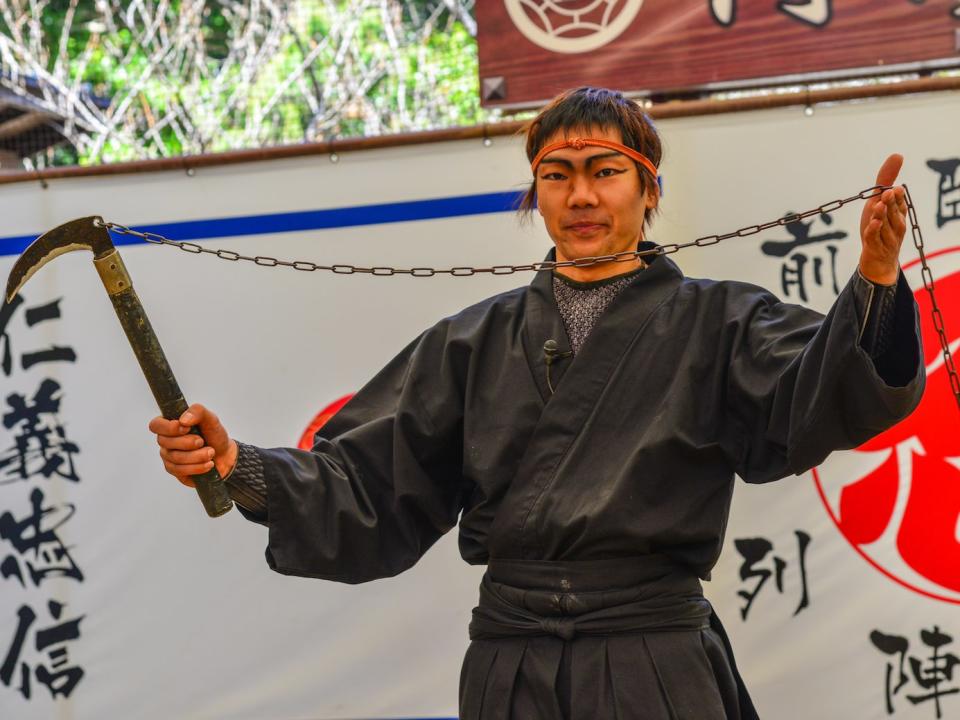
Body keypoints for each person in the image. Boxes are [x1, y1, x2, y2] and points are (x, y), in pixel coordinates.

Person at [149, 87, 924, 719]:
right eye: (557, 174)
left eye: (604, 170)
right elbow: (366, 482)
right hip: (510, 666)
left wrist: (877, 280)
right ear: (536, 193)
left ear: (649, 187)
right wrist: (238, 464)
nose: (580, 194)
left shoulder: (719, 322)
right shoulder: (472, 342)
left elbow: (815, 395)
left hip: (651, 656)